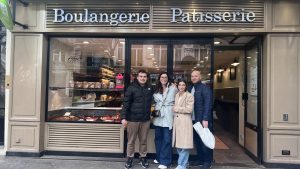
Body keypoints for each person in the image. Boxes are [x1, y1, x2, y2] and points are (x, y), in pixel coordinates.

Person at [121, 70, 154, 169]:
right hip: (132, 119)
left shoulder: (150, 88)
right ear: (137, 77)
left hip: (145, 120)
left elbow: (154, 100)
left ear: (147, 78)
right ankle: (130, 158)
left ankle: (143, 157)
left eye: (144, 76)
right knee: (131, 141)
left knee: (143, 141)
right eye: (141, 76)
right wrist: (123, 117)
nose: (143, 78)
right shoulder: (131, 88)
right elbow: (126, 104)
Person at [188, 69, 213, 169]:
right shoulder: (191, 88)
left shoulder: (205, 88)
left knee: (205, 141)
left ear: (200, 77)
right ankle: (200, 160)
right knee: (197, 141)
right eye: (192, 76)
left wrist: (205, 119)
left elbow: (208, 104)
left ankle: (208, 161)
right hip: (193, 120)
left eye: (196, 76)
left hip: (202, 120)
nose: (194, 78)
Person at [153, 72, 177, 169]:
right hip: (158, 116)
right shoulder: (156, 89)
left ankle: (166, 161)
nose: (163, 78)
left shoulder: (173, 88)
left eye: (165, 77)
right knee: (158, 138)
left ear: (168, 78)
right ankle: (159, 157)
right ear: (159, 78)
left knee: (167, 139)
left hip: (168, 115)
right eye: (162, 77)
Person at [172, 79, 194, 169]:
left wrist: (177, 108)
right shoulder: (176, 95)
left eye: (183, 85)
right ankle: (185, 162)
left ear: (186, 86)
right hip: (177, 123)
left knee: (184, 145)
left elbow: (189, 109)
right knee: (179, 145)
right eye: (180, 85)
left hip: (185, 122)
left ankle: (182, 165)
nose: (181, 86)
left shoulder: (189, 96)